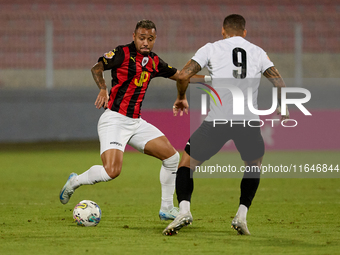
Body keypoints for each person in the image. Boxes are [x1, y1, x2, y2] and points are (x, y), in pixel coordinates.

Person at [59, 19, 206, 221]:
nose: (145, 42)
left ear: (155, 39)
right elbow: (96, 68)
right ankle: (75, 181)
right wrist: (103, 88)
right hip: (114, 120)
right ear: (134, 36)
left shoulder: (154, 62)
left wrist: (211, 78)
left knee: (172, 158)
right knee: (112, 171)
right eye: (142, 38)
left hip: (136, 123)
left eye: (150, 39)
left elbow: (182, 75)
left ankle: (166, 208)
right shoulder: (122, 53)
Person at [163, 14, 289, 235]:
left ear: (223, 31)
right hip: (248, 122)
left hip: (217, 121)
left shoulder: (211, 48)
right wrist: (283, 105)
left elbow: (183, 75)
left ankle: (184, 210)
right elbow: (278, 80)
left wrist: (181, 97)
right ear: (244, 32)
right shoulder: (257, 52)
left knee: (185, 165)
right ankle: (241, 215)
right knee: (254, 165)